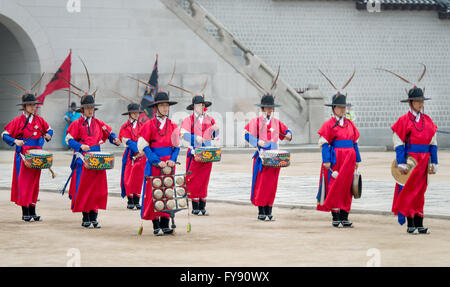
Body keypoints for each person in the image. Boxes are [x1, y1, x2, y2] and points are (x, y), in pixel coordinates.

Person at [64, 94, 121, 228]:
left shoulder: (99, 123)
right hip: (84, 161)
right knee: (85, 189)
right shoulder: (76, 123)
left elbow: (109, 134)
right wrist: (80, 146)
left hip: (98, 161)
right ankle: (86, 217)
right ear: (82, 110)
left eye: (92, 108)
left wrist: (115, 140)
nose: (90, 110)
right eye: (87, 108)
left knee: (96, 190)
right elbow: (69, 140)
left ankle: (94, 217)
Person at [316, 70, 360, 228]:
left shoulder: (350, 124)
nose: (342, 110)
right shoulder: (328, 125)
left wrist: (357, 160)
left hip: (349, 159)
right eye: (339, 107)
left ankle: (344, 215)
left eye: (344, 107)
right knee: (334, 186)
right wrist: (326, 160)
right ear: (333, 108)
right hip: (335, 159)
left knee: (347, 187)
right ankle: (335, 216)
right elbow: (324, 143)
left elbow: (355, 143)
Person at [1, 93, 53, 222]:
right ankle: (25, 212)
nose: (33, 107)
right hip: (24, 155)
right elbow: (4, 135)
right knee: (24, 184)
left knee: (34, 183)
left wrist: (48, 135)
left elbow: (49, 130)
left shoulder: (39, 120)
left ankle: (33, 211)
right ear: (24, 106)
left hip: (37, 155)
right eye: (30, 105)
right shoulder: (18, 121)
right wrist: (15, 141)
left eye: (34, 105)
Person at [137, 91, 180, 236]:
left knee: (167, 193)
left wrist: (172, 160)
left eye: (166, 105)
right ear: (156, 107)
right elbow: (144, 146)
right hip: (154, 164)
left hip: (168, 166)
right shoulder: (149, 125)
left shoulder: (173, 125)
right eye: (162, 105)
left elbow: (176, 147)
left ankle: (165, 224)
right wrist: (156, 161)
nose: (165, 108)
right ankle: (156, 225)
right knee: (154, 193)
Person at [244, 93, 292, 221]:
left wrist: (288, 135)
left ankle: (269, 209)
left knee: (272, 184)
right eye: (267, 107)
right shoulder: (256, 121)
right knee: (262, 184)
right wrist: (257, 142)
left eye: (271, 108)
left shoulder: (276, 122)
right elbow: (247, 135)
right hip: (262, 156)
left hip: (275, 157)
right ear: (263, 108)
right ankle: (261, 210)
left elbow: (287, 132)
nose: (270, 110)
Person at [180, 94, 219, 216]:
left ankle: (203, 206)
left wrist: (216, 129)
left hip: (207, 153)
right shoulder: (188, 120)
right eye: (198, 105)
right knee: (194, 179)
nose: (201, 107)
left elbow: (215, 134)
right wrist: (196, 138)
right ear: (193, 107)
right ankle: (195, 205)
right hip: (194, 153)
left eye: (202, 105)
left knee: (204, 179)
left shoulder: (210, 119)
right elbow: (183, 134)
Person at [119, 102, 146, 210]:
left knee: (139, 178)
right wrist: (138, 149)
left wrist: (143, 150)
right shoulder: (125, 127)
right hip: (131, 154)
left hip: (141, 155)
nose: (136, 114)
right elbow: (127, 141)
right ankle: (130, 199)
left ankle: (137, 199)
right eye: (133, 113)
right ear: (129, 114)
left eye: (137, 113)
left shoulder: (142, 126)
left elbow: (145, 139)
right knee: (129, 177)